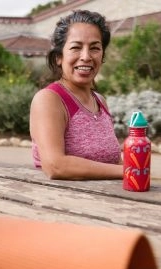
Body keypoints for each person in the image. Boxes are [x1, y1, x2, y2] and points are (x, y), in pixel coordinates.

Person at [30, 10, 122, 180]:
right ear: (59, 57)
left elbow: (114, 162)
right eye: (76, 47)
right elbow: (55, 165)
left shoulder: (100, 101)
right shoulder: (49, 99)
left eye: (95, 48)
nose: (86, 57)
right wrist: (129, 171)